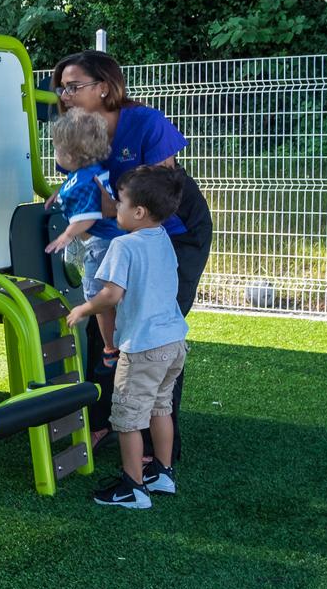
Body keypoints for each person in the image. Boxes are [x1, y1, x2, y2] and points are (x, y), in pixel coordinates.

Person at [51, 50, 212, 464]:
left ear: (104, 87)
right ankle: (106, 419)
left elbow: (162, 191)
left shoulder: (145, 122)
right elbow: (80, 181)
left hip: (175, 228)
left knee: (154, 324)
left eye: (74, 86)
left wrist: (107, 209)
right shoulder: (77, 130)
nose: (65, 95)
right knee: (103, 321)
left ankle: (160, 448)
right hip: (119, 230)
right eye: (62, 88)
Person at [66, 167, 189, 509]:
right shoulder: (163, 237)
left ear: (138, 212)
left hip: (144, 348)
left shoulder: (123, 245)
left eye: (119, 203)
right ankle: (162, 473)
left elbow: (111, 295)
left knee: (127, 416)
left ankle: (133, 487)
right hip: (174, 343)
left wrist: (83, 310)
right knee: (160, 406)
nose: (113, 209)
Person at [45, 107, 121, 368]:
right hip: (113, 242)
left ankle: (111, 346)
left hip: (101, 245)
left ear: (69, 154)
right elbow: (75, 187)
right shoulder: (91, 170)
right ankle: (117, 341)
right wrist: (59, 192)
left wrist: (65, 236)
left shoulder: (83, 181)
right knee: (114, 294)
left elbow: (88, 217)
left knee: (96, 295)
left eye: (56, 149)